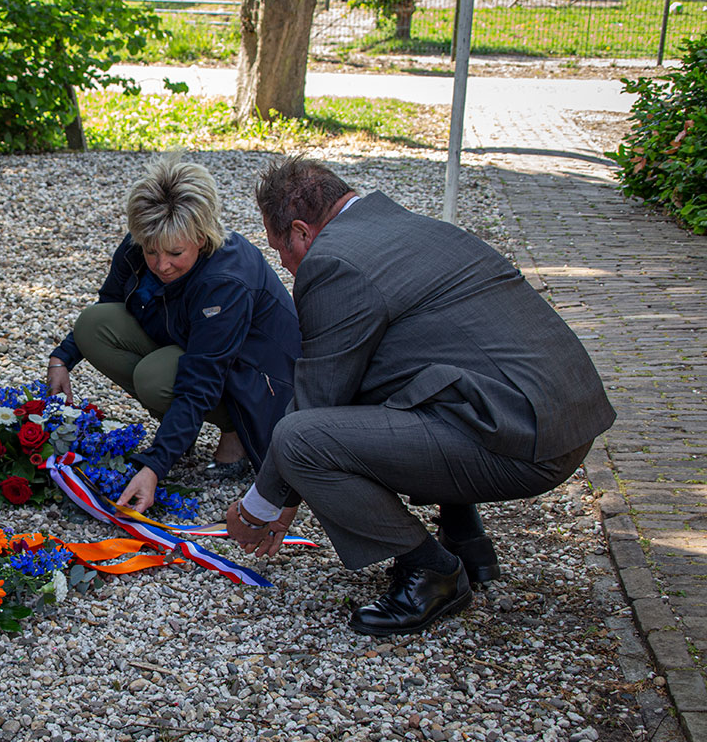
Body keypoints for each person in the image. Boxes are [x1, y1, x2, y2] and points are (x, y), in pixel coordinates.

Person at [225, 157, 616, 637]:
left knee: (300, 438)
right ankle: (466, 539)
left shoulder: (333, 261)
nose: (283, 265)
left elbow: (316, 402)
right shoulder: (414, 227)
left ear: (302, 232)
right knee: (383, 380)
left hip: (521, 440)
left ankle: (431, 572)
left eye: (279, 248)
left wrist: (261, 505)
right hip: (561, 418)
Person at [47, 154, 300, 511]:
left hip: (255, 378)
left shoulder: (226, 280)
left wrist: (154, 465)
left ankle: (235, 435)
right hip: (189, 344)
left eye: (175, 252)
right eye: (151, 251)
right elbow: (109, 303)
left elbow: (202, 379)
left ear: (202, 236)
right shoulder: (145, 241)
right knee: (93, 325)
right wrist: (62, 357)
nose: (161, 264)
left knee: (154, 377)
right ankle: (179, 431)